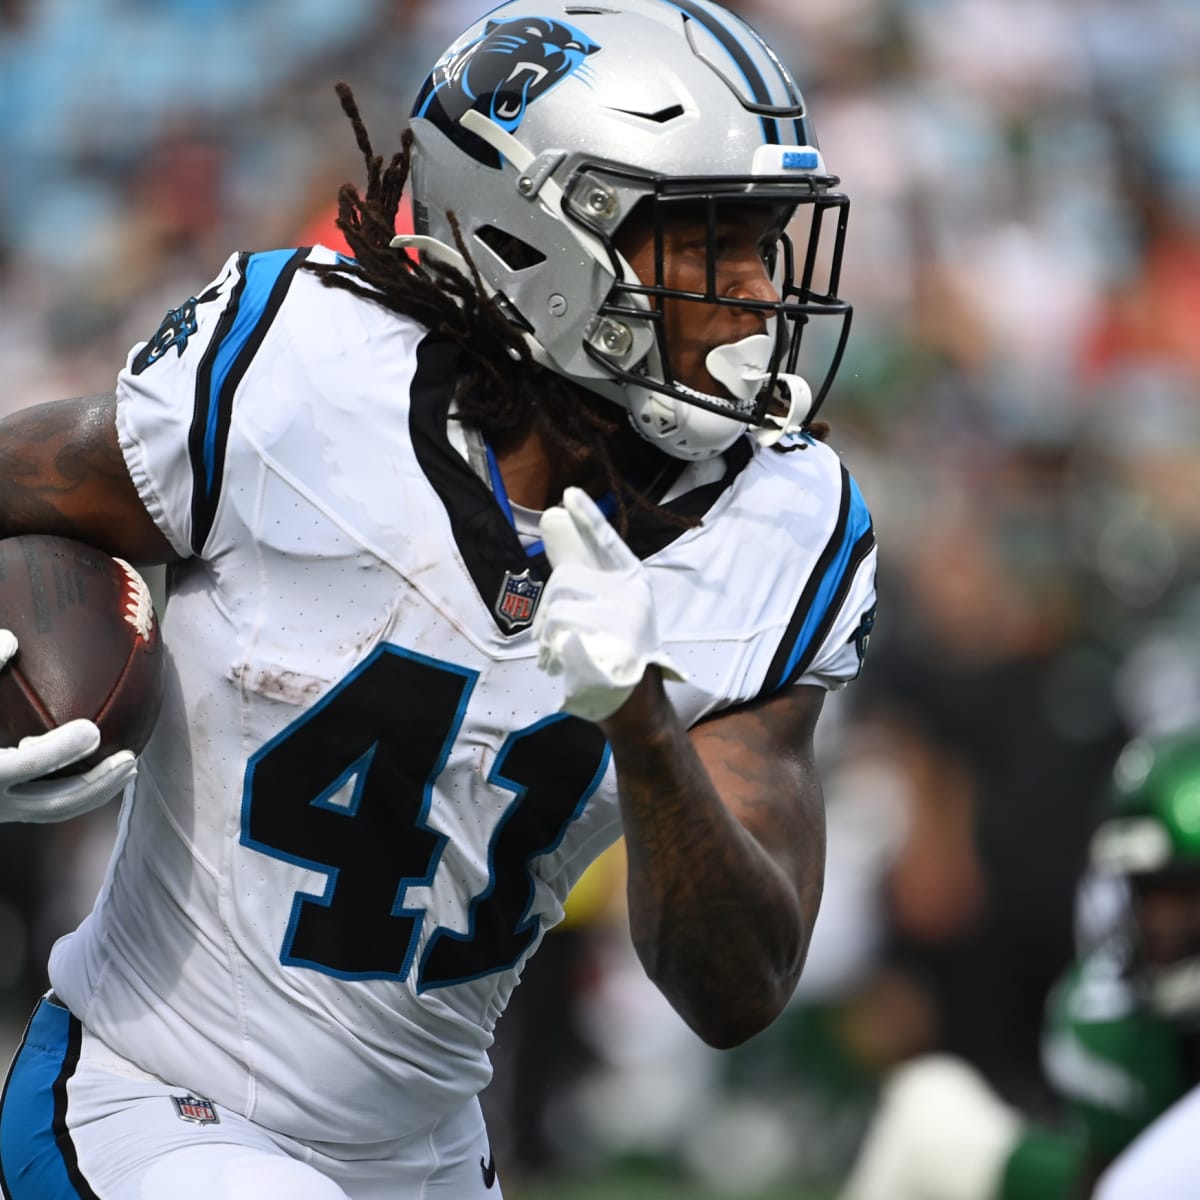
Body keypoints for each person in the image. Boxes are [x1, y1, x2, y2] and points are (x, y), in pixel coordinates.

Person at [0, 0, 877, 1195]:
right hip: (146, 1099)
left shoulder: (785, 520)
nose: (754, 296)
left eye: (765, 245)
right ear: (544, 240)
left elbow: (740, 987)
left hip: (425, 1160)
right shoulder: (300, 372)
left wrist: (644, 720)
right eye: (709, 243)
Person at [838, 727, 1200, 1200]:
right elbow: (1108, 1180)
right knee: (925, 1110)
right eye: (1149, 894)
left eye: (1188, 892)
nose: (1161, 923)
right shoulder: (1117, 1023)